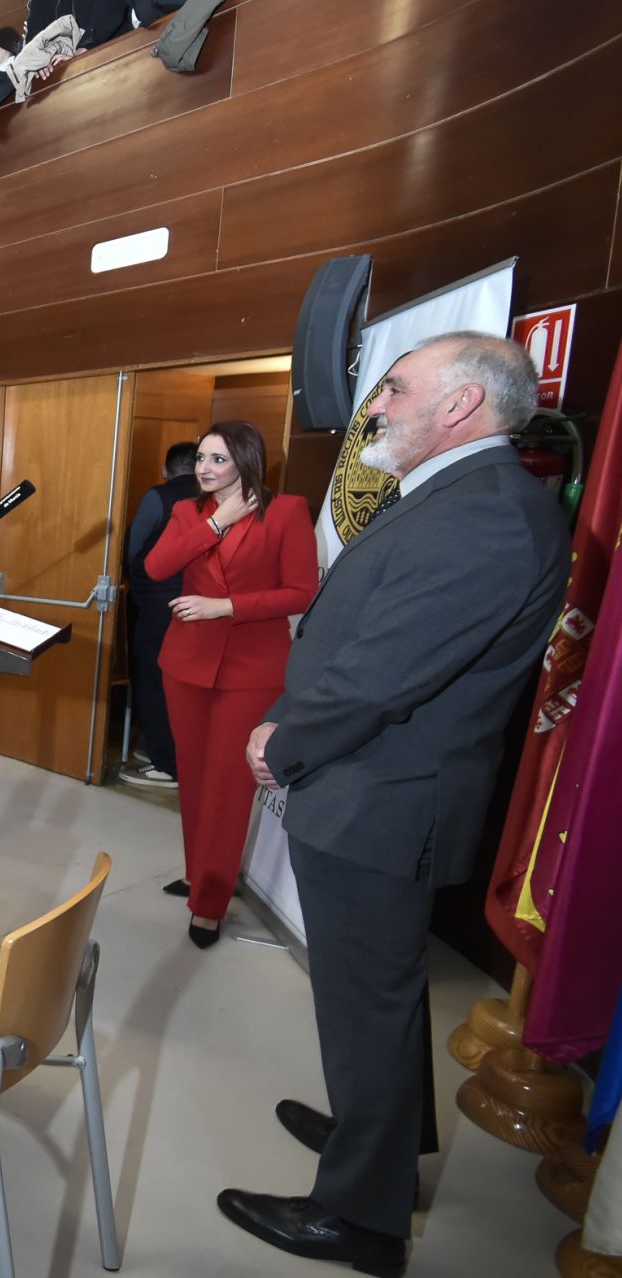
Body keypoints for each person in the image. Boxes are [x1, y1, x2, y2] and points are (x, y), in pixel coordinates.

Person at [221, 334, 572, 1275]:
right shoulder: (465, 495)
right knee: (375, 995)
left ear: (460, 407)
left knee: (367, 1003)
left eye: (396, 389)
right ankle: (383, 1141)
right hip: (373, 782)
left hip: (385, 796)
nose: (374, 406)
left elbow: (383, 677)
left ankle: (361, 1217)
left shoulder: (489, 513)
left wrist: (282, 744)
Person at [142, 421, 315, 945]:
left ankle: (210, 904)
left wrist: (226, 606)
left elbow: (301, 592)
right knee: (193, 779)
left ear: (246, 460)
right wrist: (217, 524)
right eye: (200, 458)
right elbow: (156, 566)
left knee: (227, 786)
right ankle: (201, 876)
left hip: (251, 670)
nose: (204, 468)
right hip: (186, 665)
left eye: (217, 459)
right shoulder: (187, 512)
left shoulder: (286, 512)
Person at [120, 442, 201, 789]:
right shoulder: (214, 499)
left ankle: (166, 764)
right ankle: (170, 753)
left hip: (158, 604)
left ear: (166, 471)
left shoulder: (159, 497)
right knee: (182, 685)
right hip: (198, 606)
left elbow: (135, 548)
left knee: (153, 681)